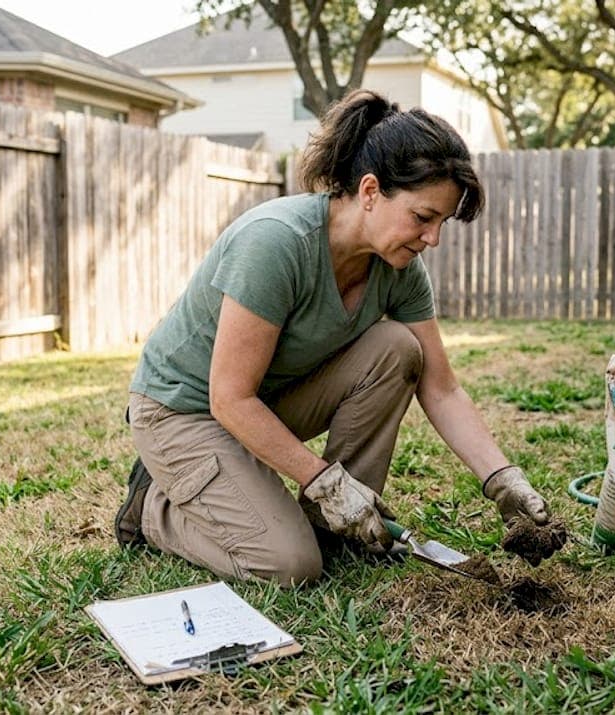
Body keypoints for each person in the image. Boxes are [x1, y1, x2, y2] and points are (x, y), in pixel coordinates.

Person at [115, 89, 550, 586]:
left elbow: (442, 388)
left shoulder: (398, 268)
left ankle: (336, 526)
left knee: (397, 349)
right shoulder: (275, 243)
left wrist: (502, 479)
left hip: (262, 402)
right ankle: (154, 510)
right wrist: (323, 481)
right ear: (370, 191)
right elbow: (229, 398)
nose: (433, 239)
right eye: (423, 217)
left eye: (442, 222)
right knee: (290, 565)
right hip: (183, 411)